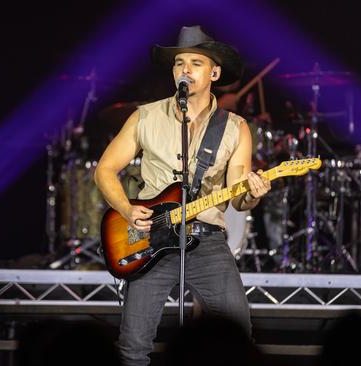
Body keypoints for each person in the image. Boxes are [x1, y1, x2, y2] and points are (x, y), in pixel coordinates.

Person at [94, 25, 272, 366]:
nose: (184, 70)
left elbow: (238, 196)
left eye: (195, 62)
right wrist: (127, 209)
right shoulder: (145, 117)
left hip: (206, 240)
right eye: (178, 63)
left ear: (215, 72)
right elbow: (104, 170)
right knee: (132, 348)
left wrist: (252, 195)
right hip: (149, 239)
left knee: (238, 340)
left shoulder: (234, 127)